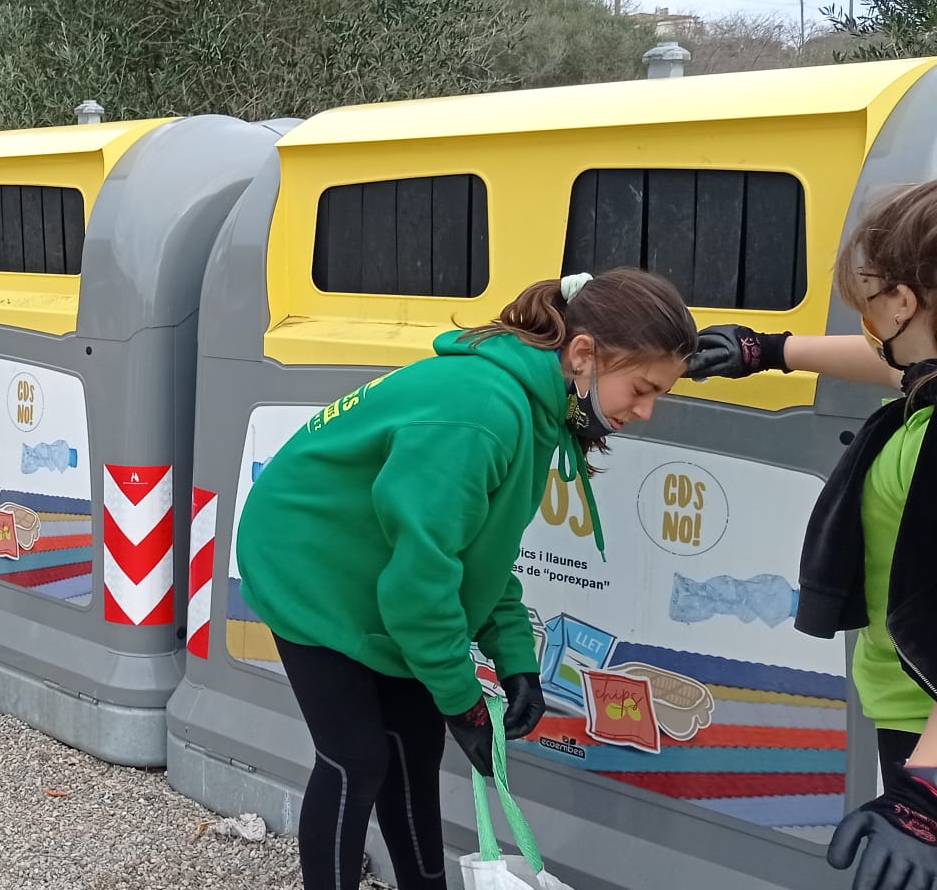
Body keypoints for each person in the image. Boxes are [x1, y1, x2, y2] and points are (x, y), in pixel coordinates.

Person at [235, 268, 696, 890]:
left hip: (375, 558)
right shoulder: (482, 413)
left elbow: (479, 554)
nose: (646, 411)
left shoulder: (537, 410)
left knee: (415, 750)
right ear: (583, 354)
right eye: (642, 388)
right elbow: (418, 589)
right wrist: (462, 701)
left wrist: (515, 658)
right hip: (306, 563)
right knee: (357, 759)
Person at [687, 181, 937, 890]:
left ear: (902, 302)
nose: (865, 317)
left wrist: (927, 792)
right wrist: (770, 350)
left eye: (870, 299)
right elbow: (900, 362)